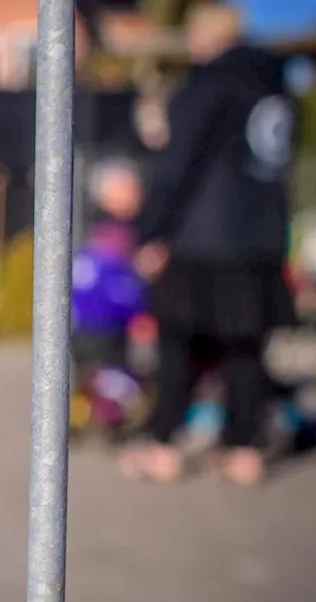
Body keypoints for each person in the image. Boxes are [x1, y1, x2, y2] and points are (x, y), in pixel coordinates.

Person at [124, 3, 298, 485]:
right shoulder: (275, 88)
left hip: (201, 239)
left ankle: (164, 446)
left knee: (177, 343)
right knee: (246, 348)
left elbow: (176, 167)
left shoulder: (205, 88)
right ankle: (244, 451)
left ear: (202, 39)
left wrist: (150, 231)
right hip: (261, 238)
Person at [70, 161, 147, 440]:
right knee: (110, 372)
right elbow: (122, 286)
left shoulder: (96, 229)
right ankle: (102, 412)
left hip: (89, 322)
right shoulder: (117, 235)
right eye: (130, 190)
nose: (138, 196)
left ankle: (88, 411)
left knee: (96, 371)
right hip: (104, 321)